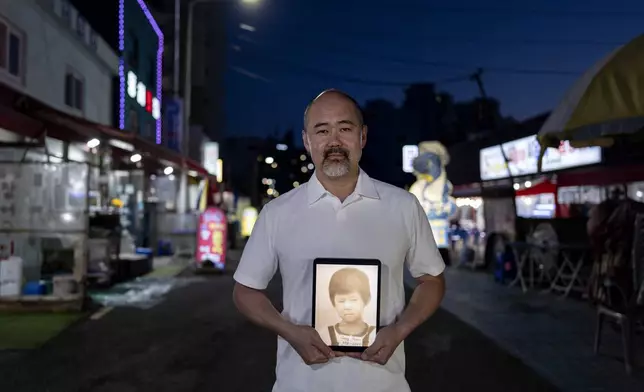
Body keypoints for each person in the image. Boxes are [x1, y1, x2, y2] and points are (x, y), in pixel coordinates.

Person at [233, 89, 446, 392]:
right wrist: (289, 331)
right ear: (307, 141)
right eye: (322, 130)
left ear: (362, 137)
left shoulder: (403, 206)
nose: (334, 141)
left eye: (345, 129)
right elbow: (245, 291)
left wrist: (400, 329)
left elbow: (432, 280)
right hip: (299, 384)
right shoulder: (277, 213)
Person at [317, 267, 377, 347]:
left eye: (353, 300)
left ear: (366, 299)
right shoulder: (324, 335)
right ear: (333, 302)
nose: (347, 306)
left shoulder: (376, 335)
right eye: (341, 301)